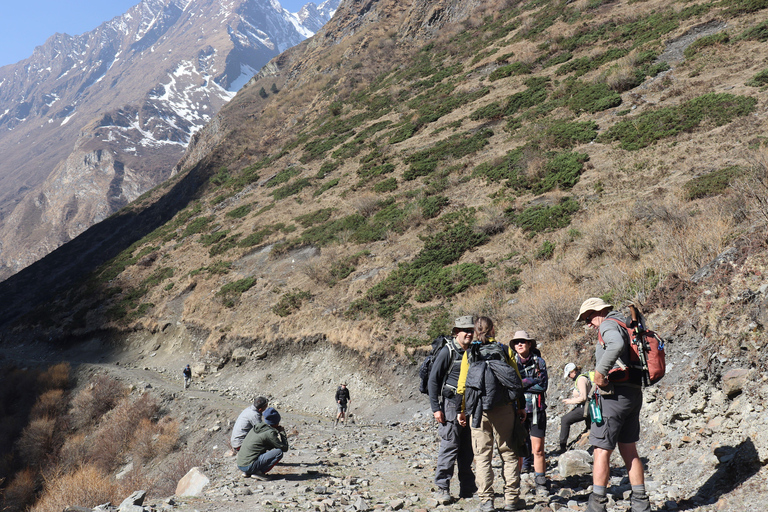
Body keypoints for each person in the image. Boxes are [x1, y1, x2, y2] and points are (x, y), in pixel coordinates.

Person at [575, 298, 650, 512]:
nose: (588, 324)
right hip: (632, 394)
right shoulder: (625, 324)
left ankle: (597, 505)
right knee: (629, 449)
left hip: (613, 397)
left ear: (600, 311)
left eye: (588, 318)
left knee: (601, 450)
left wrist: (599, 373)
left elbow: (616, 345)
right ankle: (641, 503)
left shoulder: (608, 324)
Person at [457, 316, 526, 512]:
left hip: (479, 410)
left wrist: (461, 410)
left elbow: (462, 385)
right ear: (493, 329)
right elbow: (516, 380)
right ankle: (511, 499)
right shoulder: (504, 350)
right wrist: (520, 406)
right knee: (509, 454)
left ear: (475, 331)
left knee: (482, 457)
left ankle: (486, 501)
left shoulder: (469, 353)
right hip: (504, 408)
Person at [427, 315, 477, 504]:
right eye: (465, 331)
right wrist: (436, 408)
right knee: (449, 446)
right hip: (449, 405)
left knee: (467, 448)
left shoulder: (473, 351)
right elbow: (433, 381)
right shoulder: (447, 351)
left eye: (471, 331)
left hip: (469, 406)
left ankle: (468, 488)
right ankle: (442, 488)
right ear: (457, 332)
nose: (469, 334)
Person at [511, 330, 549, 496]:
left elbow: (543, 386)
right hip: (517, 410)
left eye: (523, 341)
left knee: (538, 449)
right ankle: (515, 484)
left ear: (529, 344)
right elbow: (511, 386)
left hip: (536, 410)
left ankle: (541, 483)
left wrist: (521, 384)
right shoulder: (511, 363)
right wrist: (531, 381)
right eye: (516, 342)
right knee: (518, 448)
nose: (520, 344)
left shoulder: (539, 361)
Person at [236, 407, 289, 479]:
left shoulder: (257, 427)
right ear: (276, 422)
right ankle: (259, 473)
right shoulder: (269, 433)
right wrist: (282, 433)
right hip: (248, 465)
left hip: (240, 464)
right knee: (278, 452)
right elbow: (284, 448)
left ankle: (248, 472)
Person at [558, 363, 591, 454]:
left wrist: (570, 401)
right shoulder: (581, 378)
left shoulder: (581, 379)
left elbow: (583, 397)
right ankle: (589, 429)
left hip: (586, 407)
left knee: (565, 420)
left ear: (573, 371)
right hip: (587, 406)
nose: (569, 377)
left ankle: (562, 446)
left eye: (569, 374)